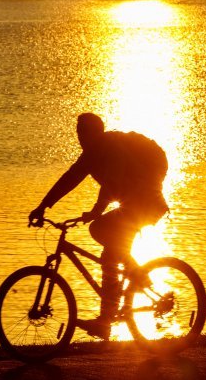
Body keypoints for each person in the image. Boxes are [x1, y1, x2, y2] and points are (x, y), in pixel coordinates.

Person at [28, 113, 169, 339]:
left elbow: (114, 181)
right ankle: (128, 286)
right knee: (106, 244)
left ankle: (108, 317)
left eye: (84, 134)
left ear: (96, 133)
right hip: (136, 198)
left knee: (105, 239)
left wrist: (97, 210)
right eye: (78, 134)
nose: (81, 139)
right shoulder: (90, 155)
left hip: (147, 199)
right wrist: (43, 206)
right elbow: (70, 178)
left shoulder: (112, 146)